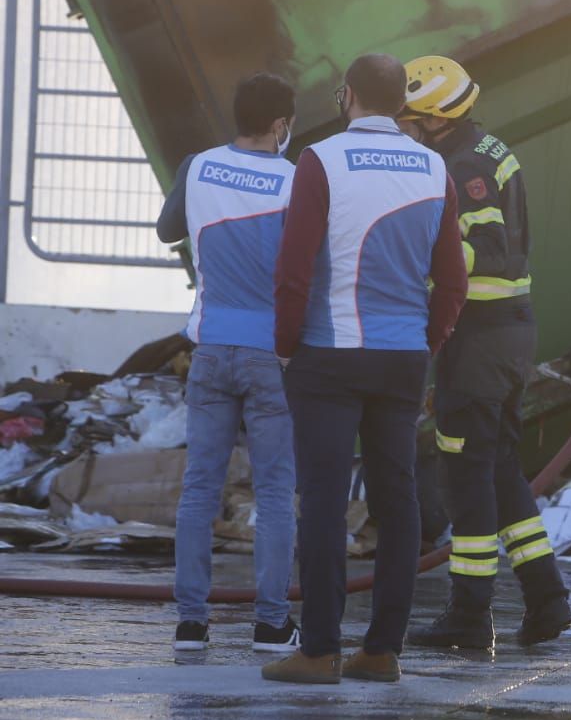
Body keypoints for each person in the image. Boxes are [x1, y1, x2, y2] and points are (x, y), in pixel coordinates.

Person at [263, 54, 467, 685]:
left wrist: (286, 345)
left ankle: (320, 650)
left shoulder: (320, 160)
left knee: (323, 500)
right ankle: (382, 651)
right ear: (401, 102)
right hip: (402, 358)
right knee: (398, 499)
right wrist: (425, 343)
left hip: (327, 355)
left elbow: (294, 267)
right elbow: (455, 280)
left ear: (345, 95)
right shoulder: (435, 167)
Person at [397, 55, 571, 649]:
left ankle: (470, 616)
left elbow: (489, 249)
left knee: (464, 476)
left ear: (435, 119)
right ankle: (547, 600)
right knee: (497, 470)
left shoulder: (462, 164)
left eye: (409, 118)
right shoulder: (485, 148)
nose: (402, 129)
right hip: (505, 333)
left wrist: (416, 265)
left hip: (479, 334)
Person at [156, 72, 300, 654]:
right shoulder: (297, 180)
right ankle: (270, 625)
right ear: (281, 124)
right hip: (273, 356)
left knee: (198, 490)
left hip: (210, 349)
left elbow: (168, 231)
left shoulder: (197, 166)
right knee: (274, 492)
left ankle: (191, 623)